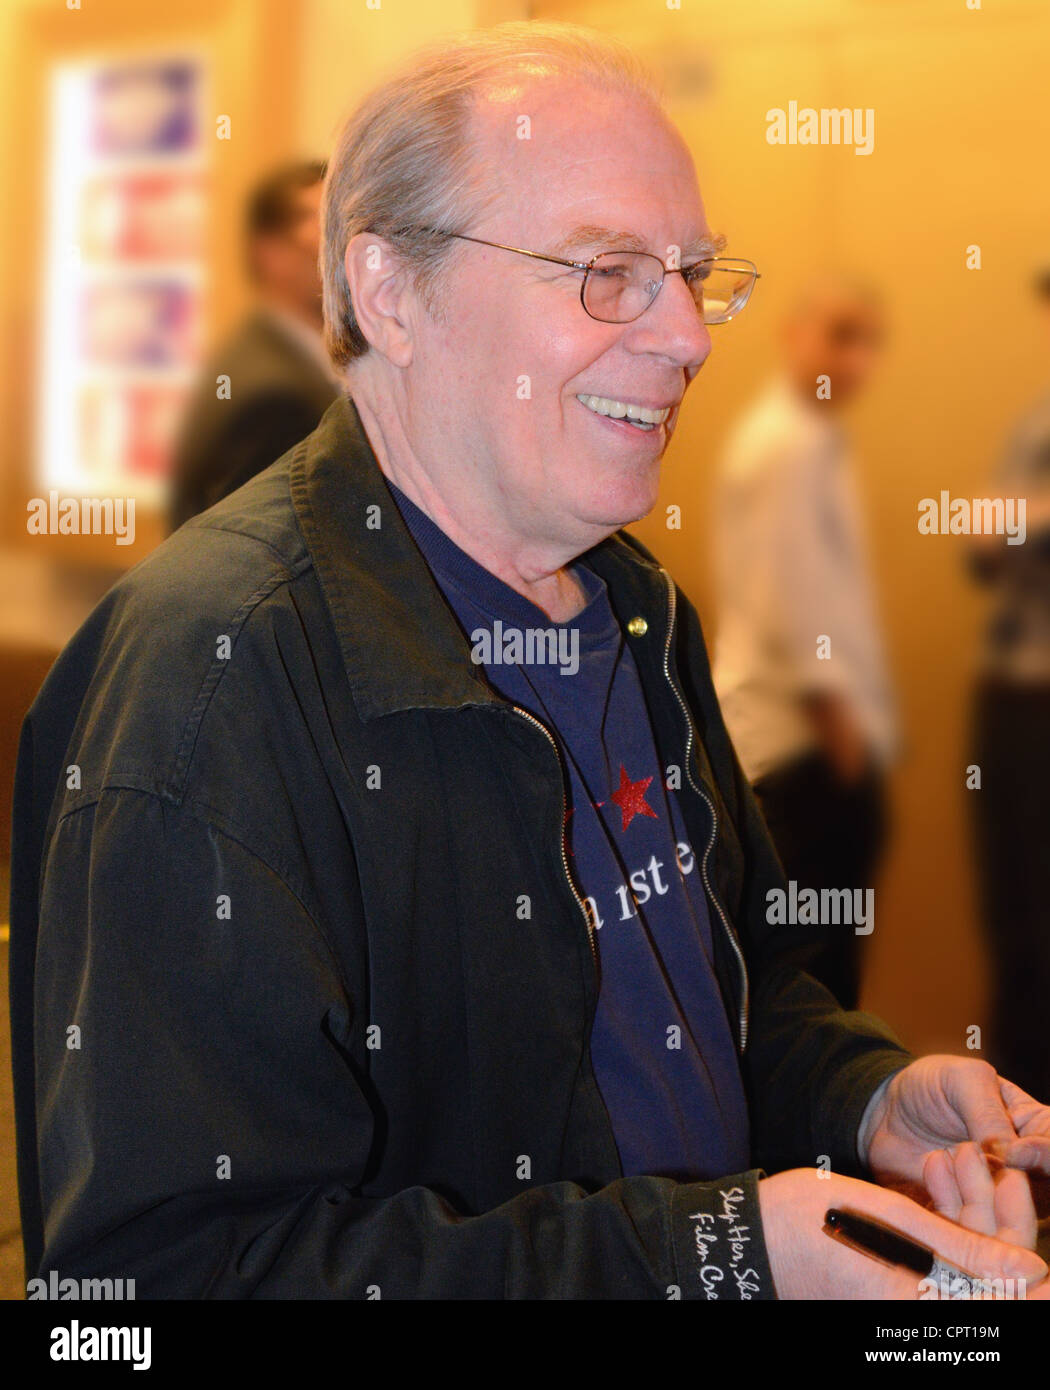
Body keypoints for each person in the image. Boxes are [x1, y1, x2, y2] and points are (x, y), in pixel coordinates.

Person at [10, 24, 1050, 1300]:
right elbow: (155, 1283)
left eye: (691, 272)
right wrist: (704, 1256)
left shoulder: (634, 608)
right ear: (391, 292)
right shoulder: (211, 684)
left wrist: (861, 1094)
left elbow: (730, 985)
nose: (690, 335)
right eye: (608, 270)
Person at [712, 280, 895, 1008]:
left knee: (820, 974)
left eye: (866, 343)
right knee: (812, 987)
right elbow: (792, 601)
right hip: (801, 754)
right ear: (793, 335)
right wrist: (842, 737)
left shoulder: (809, 439)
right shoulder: (786, 443)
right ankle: (825, 1124)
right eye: (838, 335)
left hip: (807, 751)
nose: (853, 359)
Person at [969, 266, 1050, 1104]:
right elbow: (980, 551)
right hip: (1014, 695)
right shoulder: (1034, 421)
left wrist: (1018, 519)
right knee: (1015, 918)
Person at [167, 160, 341, 531]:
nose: (340, 251)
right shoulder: (272, 395)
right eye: (323, 231)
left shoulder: (277, 359)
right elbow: (245, 553)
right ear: (270, 253)